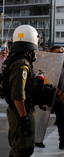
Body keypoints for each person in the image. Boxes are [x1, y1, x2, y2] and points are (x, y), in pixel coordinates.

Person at [2, 25, 39, 157]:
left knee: (20, 147)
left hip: (17, 110)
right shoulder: (21, 64)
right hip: (20, 112)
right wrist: (24, 119)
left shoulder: (13, 60)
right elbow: (18, 95)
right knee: (23, 148)